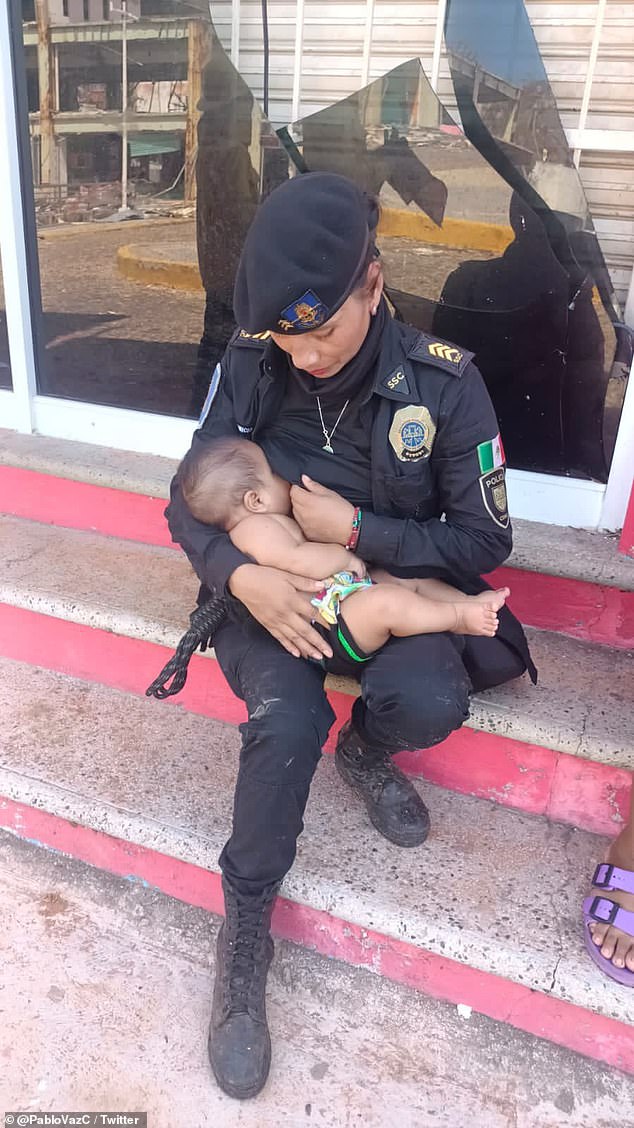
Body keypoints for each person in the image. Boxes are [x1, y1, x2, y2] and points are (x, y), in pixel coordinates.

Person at [166, 171, 537, 1101]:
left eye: (321, 328)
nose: (306, 353)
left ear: (373, 282)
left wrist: (359, 534)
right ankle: (246, 931)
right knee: (285, 723)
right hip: (279, 597)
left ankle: (367, 750)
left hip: (384, 588)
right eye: (288, 335)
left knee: (432, 696)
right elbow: (189, 499)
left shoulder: (445, 385)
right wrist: (245, 574)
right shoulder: (256, 361)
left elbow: (485, 538)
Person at [178, 435, 511, 661]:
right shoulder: (255, 529)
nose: (285, 478)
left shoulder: (265, 520)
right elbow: (297, 560)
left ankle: (470, 601)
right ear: (256, 499)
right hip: (330, 624)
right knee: (387, 603)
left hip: (341, 596)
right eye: (273, 473)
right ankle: (457, 617)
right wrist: (343, 556)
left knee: (403, 581)